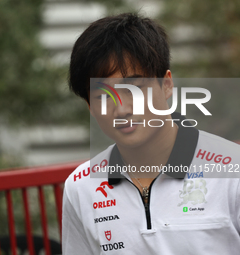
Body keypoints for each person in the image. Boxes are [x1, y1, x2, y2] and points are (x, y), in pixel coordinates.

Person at [62, 13, 240, 254]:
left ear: (166, 85)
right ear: (90, 107)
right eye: (104, 96)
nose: (122, 109)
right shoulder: (80, 187)